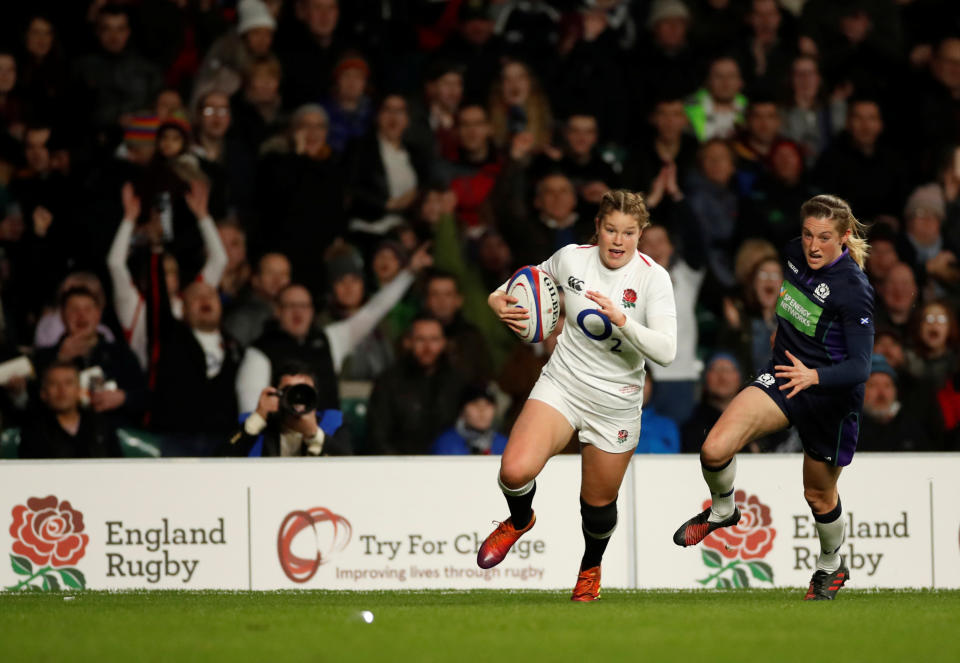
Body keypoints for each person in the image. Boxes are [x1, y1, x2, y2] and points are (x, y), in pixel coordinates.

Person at [673, 194, 874, 602]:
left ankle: (831, 564)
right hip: (784, 376)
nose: (813, 246)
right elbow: (792, 304)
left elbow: (860, 367)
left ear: (844, 237)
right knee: (714, 450)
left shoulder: (853, 290)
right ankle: (724, 510)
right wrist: (785, 337)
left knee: (818, 495)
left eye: (824, 237)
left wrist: (814, 374)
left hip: (828, 399)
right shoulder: (793, 256)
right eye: (806, 235)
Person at [478, 190, 677, 601]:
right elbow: (523, 282)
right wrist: (496, 299)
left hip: (616, 405)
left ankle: (590, 568)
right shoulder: (571, 258)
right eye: (610, 230)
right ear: (598, 229)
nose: (618, 241)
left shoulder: (652, 278)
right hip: (563, 384)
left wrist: (622, 320)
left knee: (597, 507)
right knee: (514, 472)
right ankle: (519, 520)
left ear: (641, 234)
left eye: (628, 232)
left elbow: (667, 352)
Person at [223, 361, 351, 457]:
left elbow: (351, 467)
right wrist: (258, 417)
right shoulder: (254, 424)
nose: (297, 399)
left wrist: (315, 435)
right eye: (288, 391)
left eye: (304, 391)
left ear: (315, 396)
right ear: (275, 393)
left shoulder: (333, 422)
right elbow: (220, 462)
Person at [19, 361, 121, 459]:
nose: (62, 390)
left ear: (79, 389)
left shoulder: (101, 424)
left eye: (68, 383)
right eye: (54, 384)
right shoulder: (33, 430)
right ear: (43, 393)